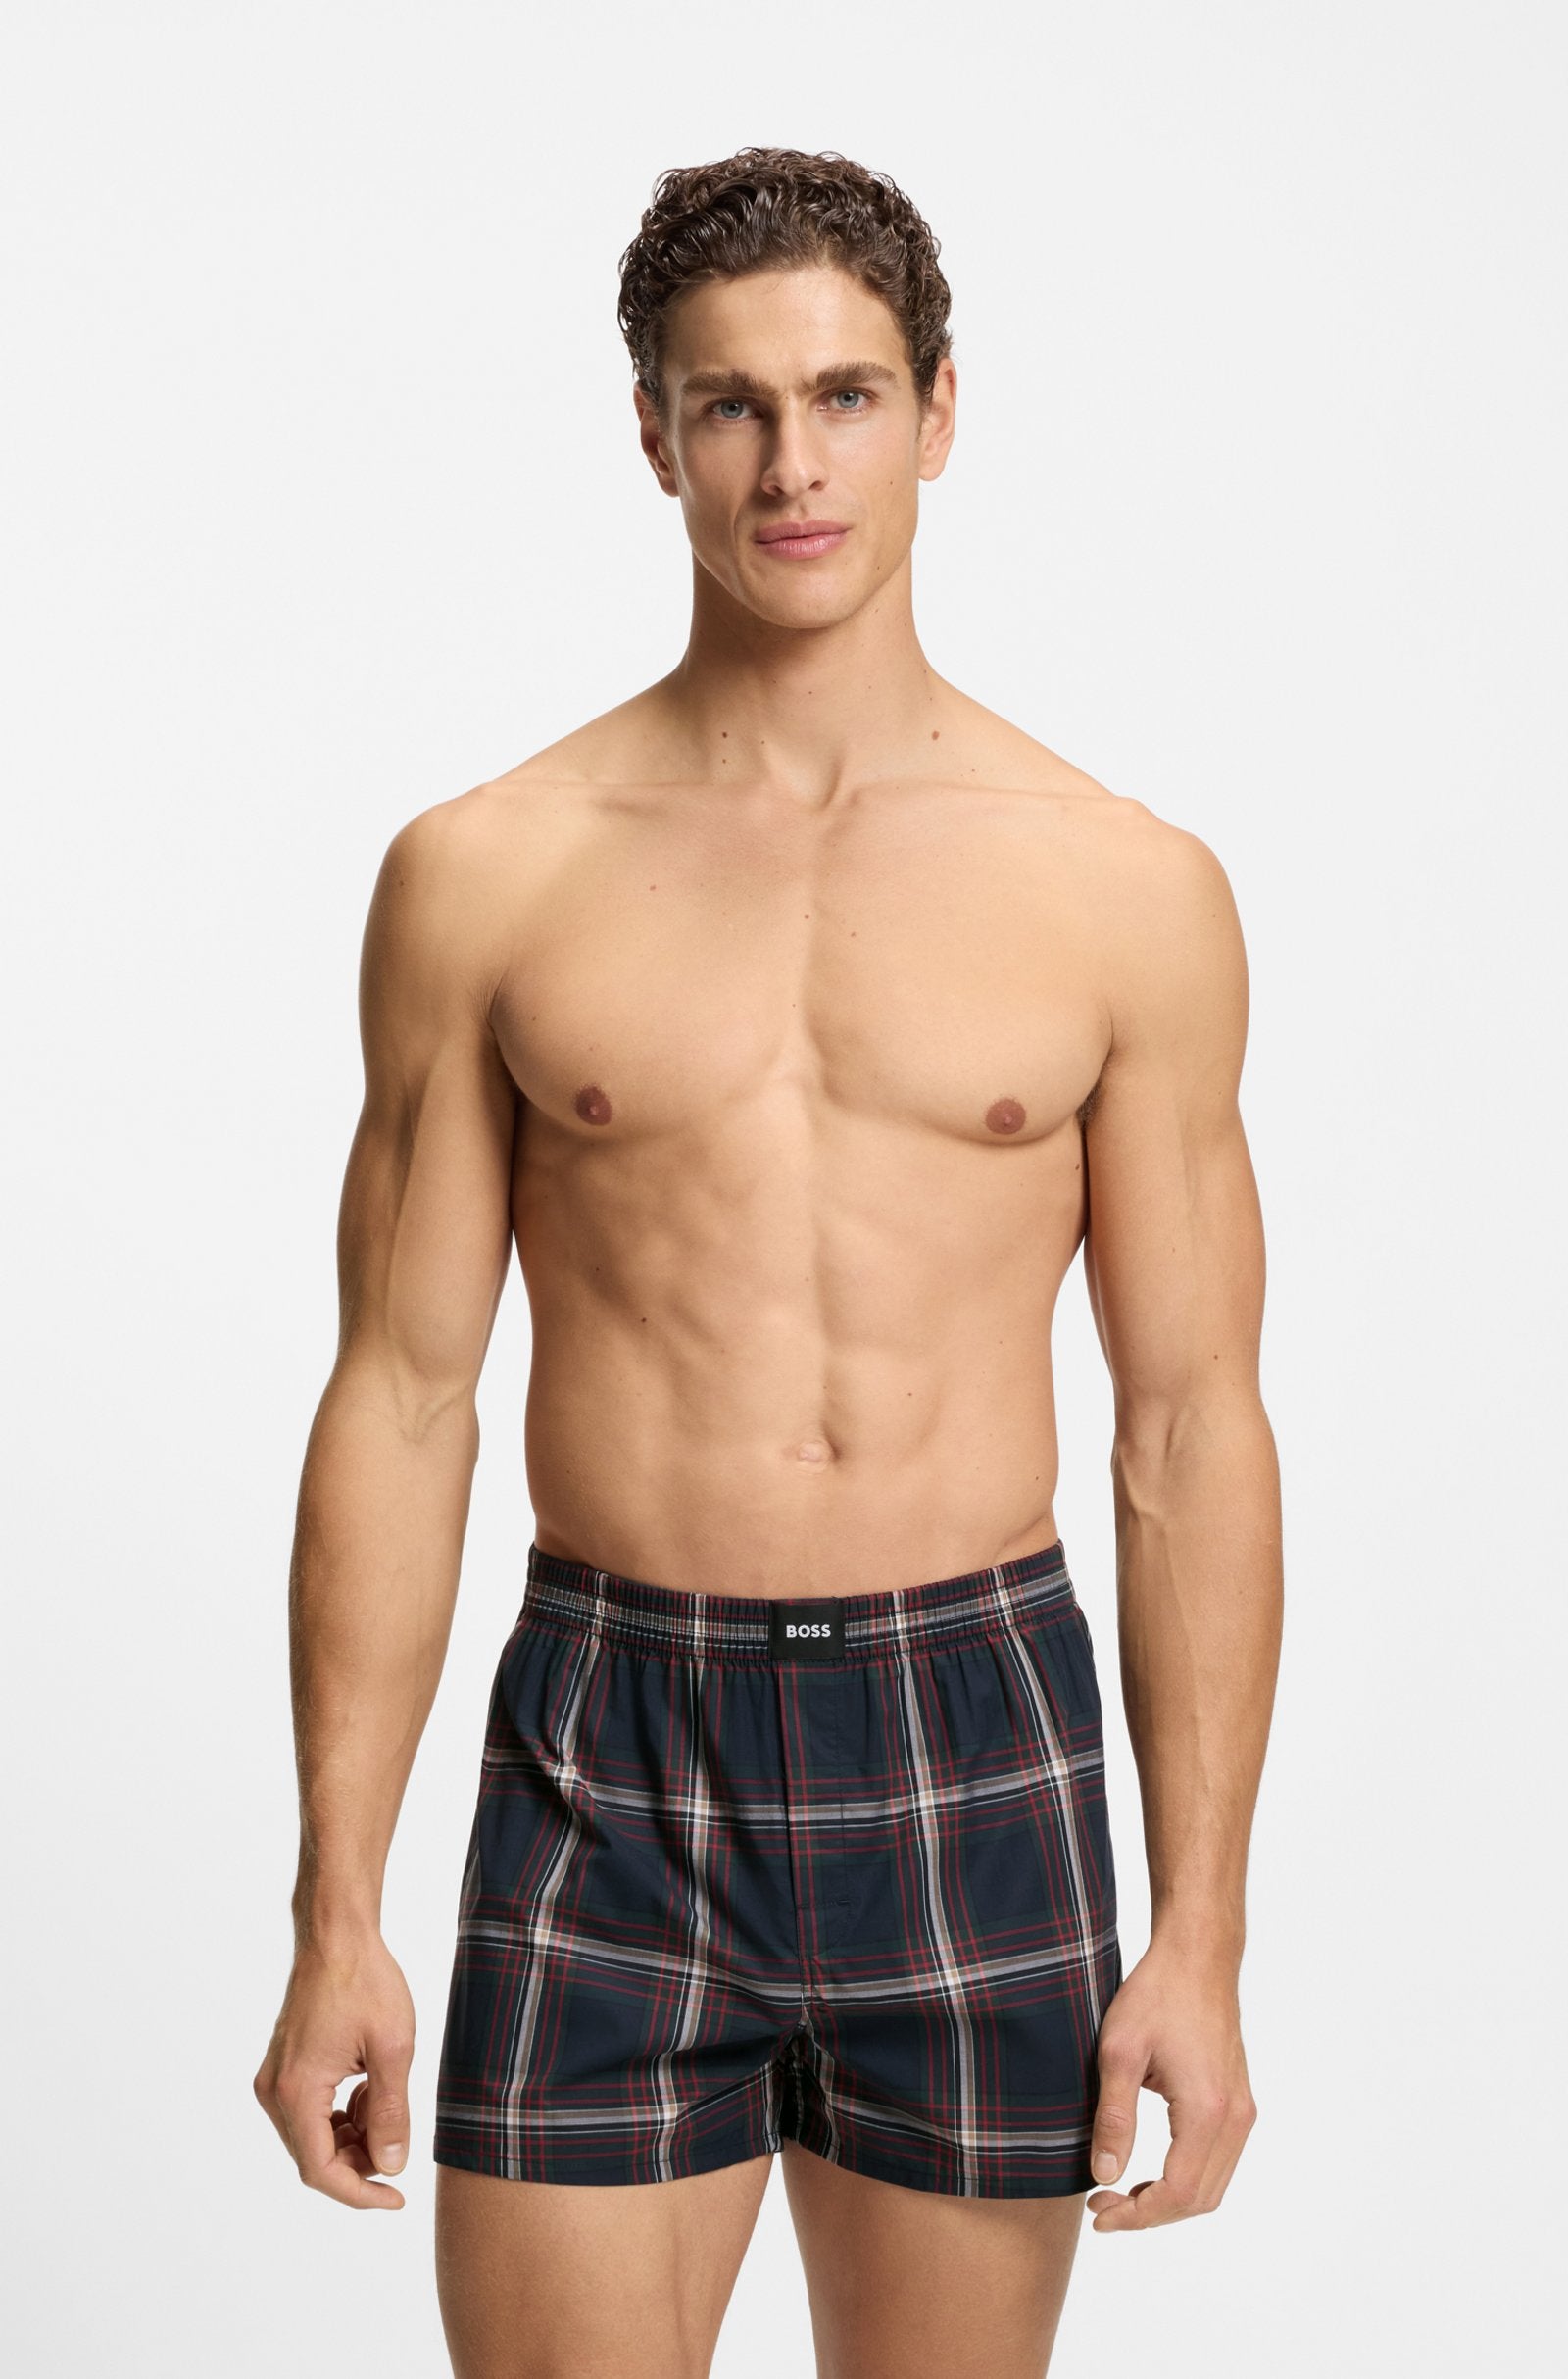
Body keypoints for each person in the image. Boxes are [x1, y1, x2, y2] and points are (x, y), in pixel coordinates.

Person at [254, 145, 1283, 2379]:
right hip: (608, 1742)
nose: (790, 463)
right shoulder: (487, 873)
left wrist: (1199, 1931)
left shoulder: (1123, 889)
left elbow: (1188, 1423)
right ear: (654, 434)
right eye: (730, 405)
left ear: (937, 411)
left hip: (967, 1716)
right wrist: (337, 1905)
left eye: (843, 396)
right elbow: (402, 1398)